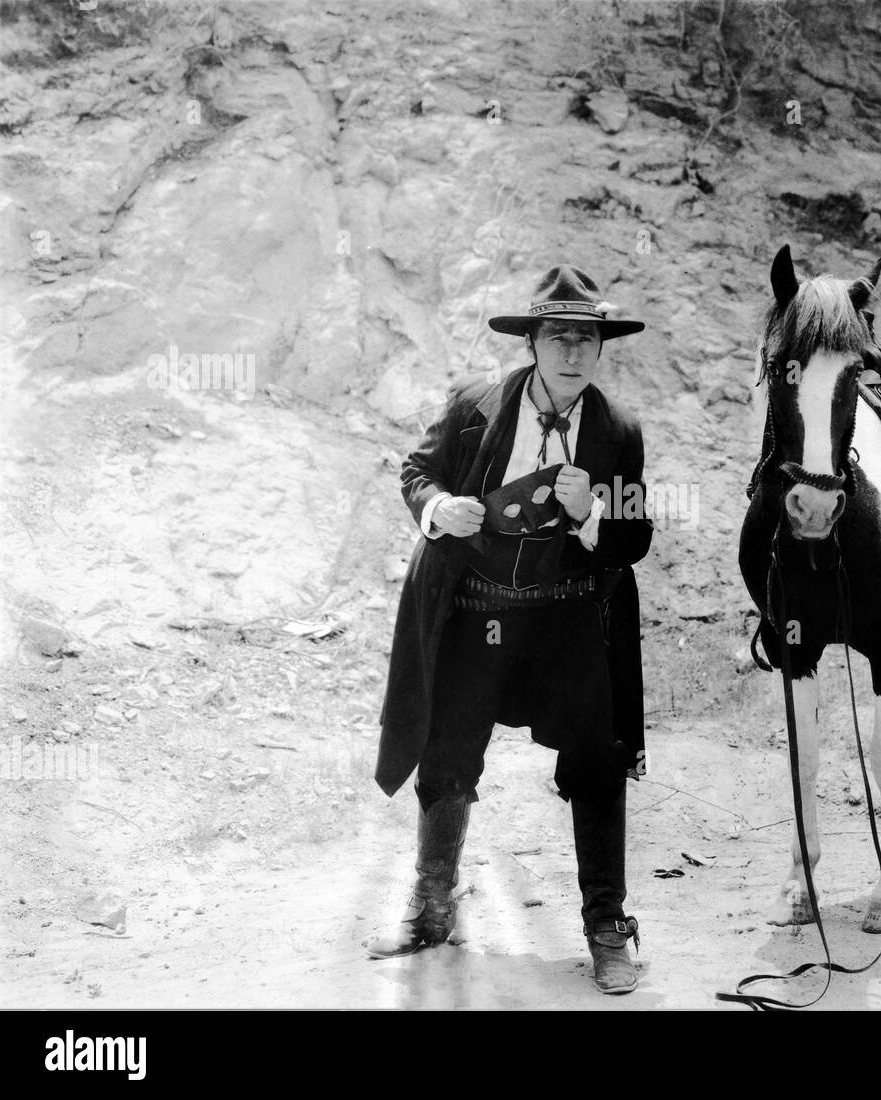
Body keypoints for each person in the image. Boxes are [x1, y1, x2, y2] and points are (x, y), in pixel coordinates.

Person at [366, 265, 653, 994]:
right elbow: (416, 470)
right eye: (558, 337)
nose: (573, 353)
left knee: (598, 758)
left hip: (567, 615)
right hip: (480, 610)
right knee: (448, 749)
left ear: (599, 347)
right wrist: (439, 510)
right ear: (531, 341)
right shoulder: (475, 406)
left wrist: (595, 515)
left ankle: (607, 926)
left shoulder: (617, 431)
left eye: (586, 339)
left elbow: (636, 537)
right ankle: (432, 907)